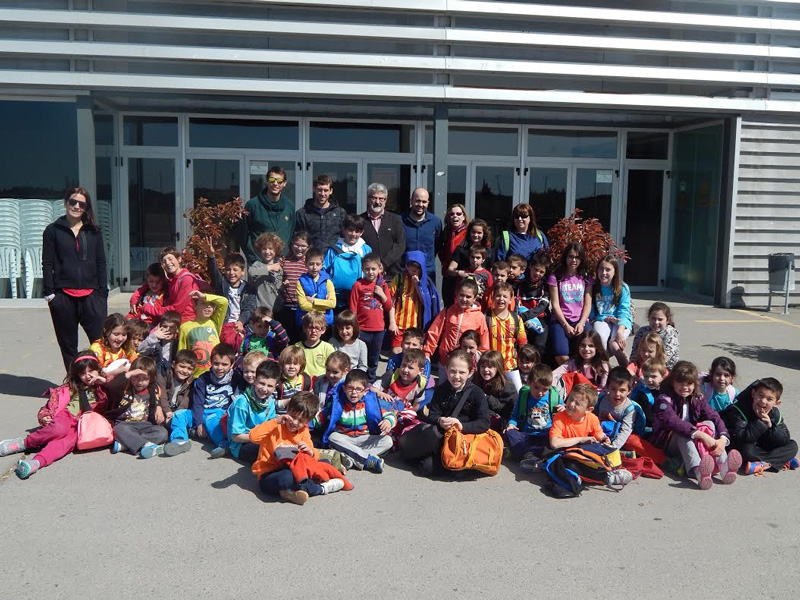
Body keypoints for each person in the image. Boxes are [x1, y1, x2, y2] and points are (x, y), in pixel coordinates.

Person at [0, 351, 108, 479]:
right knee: (58, 429)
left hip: (84, 425)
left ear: (98, 370)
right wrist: (44, 416)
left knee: (65, 444)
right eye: (82, 373)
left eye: (91, 371)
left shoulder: (104, 387)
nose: (88, 376)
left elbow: (114, 397)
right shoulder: (73, 387)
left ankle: (35, 463)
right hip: (67, 415)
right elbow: (53, 403)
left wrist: (104, 382)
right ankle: (24, 443)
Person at [43, 186, 108, 371]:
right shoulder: (52, 230)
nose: (77, 207)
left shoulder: (94, 231)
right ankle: (75, 384)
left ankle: (99, 382)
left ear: (86, 208)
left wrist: (102, 293)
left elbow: (101, 262)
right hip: (63, 296)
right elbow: (47, 262)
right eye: (73, 202)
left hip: (92, 296)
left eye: (82, 204)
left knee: (101, 344)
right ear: (65, 203)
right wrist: (50, 294)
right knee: (68, 347)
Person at [651, 361, 742, 490]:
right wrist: (702, 435)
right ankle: (699, 471)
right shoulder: (664, 400)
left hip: (692, 437)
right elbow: (674, 422)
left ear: (695, 384)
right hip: (667, 442)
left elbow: (714, 416)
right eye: (680, 382)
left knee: (709, 423)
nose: (685, 387)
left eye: (689, 383)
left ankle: (724, 466)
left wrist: (723, 439)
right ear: (672, 382)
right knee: (683, 434)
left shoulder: (697, 398)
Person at [250, 392, 346, 505]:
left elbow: (313, 455)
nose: (295, 422)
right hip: (270, 473)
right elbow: (253, 437)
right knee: (287, 478)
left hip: (293, 469)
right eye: (293, 416)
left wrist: (310, 451)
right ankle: (320, 488)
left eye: (301, 421)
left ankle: (289, 493)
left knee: (322, 463)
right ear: (287, 410)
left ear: (307, 421)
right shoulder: (276, 425)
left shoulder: (303, 431)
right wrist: (275, 421)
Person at [412, 349, 490, 476]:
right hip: (445, 439)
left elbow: (484, 422)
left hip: (465, 442)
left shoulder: (477, 393)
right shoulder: (440, 390)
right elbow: (432, 414)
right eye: (453, 371)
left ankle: (457, 466)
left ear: (470, 372)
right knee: (426, 467)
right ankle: (451, 465)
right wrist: (440, 420)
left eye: (462, 372)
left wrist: (462, 425)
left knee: (439, 467)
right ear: (446, 369)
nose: (456, 376)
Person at [167, 343, 245, 459]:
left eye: (224, 364)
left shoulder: (235, 378)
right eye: (216, 363)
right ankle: (179, 440)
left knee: (211, 421)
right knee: (179, 415)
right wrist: (198, 423)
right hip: (202, 411)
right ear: (211, 362)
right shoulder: (203, 379)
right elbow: (197, 402)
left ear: (232, 364)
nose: (220, 368)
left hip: (220, 413)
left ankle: (224, 444)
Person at [322, 369, 396, 473]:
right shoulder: (338, 403)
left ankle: (350, 458)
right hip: (345, 439)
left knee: (388, 441)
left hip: (364, 439)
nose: (354, 392)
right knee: (332, 437)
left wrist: (388, 421)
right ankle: (367, 460)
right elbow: (320, 416)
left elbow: (390, 415)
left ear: (365, 391)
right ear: (344, 388)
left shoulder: (370, 404)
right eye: (350, 388)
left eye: (358, 389)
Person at [722, 378, 799, 475]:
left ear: (776, 403)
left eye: (769, 399)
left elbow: (785, 439)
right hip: (748, 446)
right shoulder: (739, 409)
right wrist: (760, 423)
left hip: (763, 447)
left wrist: (771, 427)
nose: (763, 401)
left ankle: (764, 464)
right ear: (753, 394)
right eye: (760, 395)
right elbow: (740, 437)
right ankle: (782, 459)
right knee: (746, 450)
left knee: (793, 445)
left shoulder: (775, 413)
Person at [104, 356, 169, 459]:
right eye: (136, 377)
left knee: (163, 433)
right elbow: (111, 387)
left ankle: (126, 444)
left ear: (151, 379)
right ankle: (145, 445)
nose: (140, 382)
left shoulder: (153, 389)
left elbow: (158, 396)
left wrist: (159, 407)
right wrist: (129, 374)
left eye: (145, 379)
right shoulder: (125, 388)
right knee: (117, 429)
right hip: (125, 424)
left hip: (145, 425)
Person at [423, 279, 489, 374]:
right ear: (456, 294)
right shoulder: (448, 311)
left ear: (474, 298)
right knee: (443, 383)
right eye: (461, 295)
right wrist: (427, 352)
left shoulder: (479, 316)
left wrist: (483, 360)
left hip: (466, 363)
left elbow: (484, 342)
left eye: (468, 296)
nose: (464, 299)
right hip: (445, 360)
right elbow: (434, 332)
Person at [202, 240, 257, 351]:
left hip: (242, 326)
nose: (231, 273)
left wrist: (241, 321)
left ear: (243, 271)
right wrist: (211, 256)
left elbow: (249, 308)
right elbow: (214, 273)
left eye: (235, 270)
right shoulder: (222, 284)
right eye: (228, 269)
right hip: (224, 326)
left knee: (242, 351)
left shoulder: (249, 288)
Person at [349, 253, 394, 382]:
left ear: (379, 268)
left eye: (373, 269)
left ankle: (371, 381)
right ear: (362, 269)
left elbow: (388, 306)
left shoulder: (383, 285)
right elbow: (353, 308)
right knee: (361, 357)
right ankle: (359, 380)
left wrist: (382, 295)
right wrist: (354, 327)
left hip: (378, 329)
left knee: (374, 358)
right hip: (362, 329)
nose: (370, 272)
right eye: (367, 269)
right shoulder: (358, 285)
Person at [548, 242, 592, 366]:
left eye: (577, 257)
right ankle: (571, 375)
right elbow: (555, 304)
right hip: (561, 320)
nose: (574, 260)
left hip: (580, 320)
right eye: (571, 256)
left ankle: (584, 375)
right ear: (565, 257)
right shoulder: (556, 277)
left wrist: (581, 323)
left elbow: (587, 304)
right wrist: (565, 325)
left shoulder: (586, 278)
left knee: (590, 350)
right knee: (561, 355)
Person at [505, 363, 561, 462]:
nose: (540, 392)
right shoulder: (524, 395)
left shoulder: (553, 397)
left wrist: (563, 410)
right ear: (529, 382)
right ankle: (531, 455)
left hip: (546, 435)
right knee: (510, 433)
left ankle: (526, 454)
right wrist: (511, 424)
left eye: (545, 389)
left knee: (555, 443)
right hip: (527, 435)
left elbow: (563, 416)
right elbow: (515, 415)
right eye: (536, 387)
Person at [227, 360, 280, 464]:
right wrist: (260, 437)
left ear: (275, 386)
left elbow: (271, 425)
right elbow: (236, 436)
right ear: (255, 380)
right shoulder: (242, 403)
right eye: (261, 383)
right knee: (270, 453)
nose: (264, 389)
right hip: (242, 444)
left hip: (262, 438)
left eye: (270, 386)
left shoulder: (270, 402)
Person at [241, 165, 295, 265]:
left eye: (279, 181)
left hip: (281, 263)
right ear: (267, 181)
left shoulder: (289, 207)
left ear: (284, 184)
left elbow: (291, 234)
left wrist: (285, 256)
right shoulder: (252, 205)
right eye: (272, 180)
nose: (275, 183)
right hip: (258, 263)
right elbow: (243, 235)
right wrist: (253, 258)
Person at [388, 251, 441, 353]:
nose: (413, 273)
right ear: (406, 266)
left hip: (415, 326)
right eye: (411, 270)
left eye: (416, 271)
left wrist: (417, 286)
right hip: (399, 324)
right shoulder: (399, 279)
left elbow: (426, 304)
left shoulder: (425, 282)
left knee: (412, 352)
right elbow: (392, 303)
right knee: (397, 351)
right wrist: (392, 322)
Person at [589, 255, 632, 366]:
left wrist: (620, 331)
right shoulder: (593, 287)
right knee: (600, 340)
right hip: (601, 319)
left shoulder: (622, 288)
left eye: (608, 269)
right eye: (601, 269)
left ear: (615, 272)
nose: (603, 273)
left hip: (620, 321)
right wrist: (607, 318)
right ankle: (605, 370)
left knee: (614, 345)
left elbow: (624, 311)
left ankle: (628, 371)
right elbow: (591, 312)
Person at [323, 214, 372, 307]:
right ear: (344, 229)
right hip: (337, 298)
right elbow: (324, 271)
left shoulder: (366, 250)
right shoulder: (333, 250)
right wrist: (326, 291)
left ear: (362, 232)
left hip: (360, 298)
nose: (353, 234)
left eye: (357, 231)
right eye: (350, 230)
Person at [142, 246, 202, 324]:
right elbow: (150, 284)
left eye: (170, 259)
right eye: (164, 261)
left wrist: (150, 309)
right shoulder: (171, 279)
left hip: (186, 322)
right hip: (173, 320)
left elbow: (176, 309)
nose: (167, 263)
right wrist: (136, 297)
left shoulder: (186, 279)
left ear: (179, 259)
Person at [177, 290, 228, 379]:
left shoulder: (215, 322)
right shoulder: (185, 327)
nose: (208, 307)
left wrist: (204, 296)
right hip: (196, 375)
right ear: (195, 306)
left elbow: (224, 301)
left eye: (211, 304)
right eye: (203, 303)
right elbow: (182, 353)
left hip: (215, 373)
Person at [359, 183, 406, 278]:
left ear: (385, 200)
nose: (377, 202)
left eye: (381, 198)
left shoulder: (395, 220)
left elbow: (400, 245)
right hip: (367, 276)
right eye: (374, 198)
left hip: (392, 276)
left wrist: (384, 264)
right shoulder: (360, 221)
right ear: (368, 199)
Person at [486, 283, 527, 390]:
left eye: (505, 296)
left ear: (510, 300)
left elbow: (523, 343)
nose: (501, 299)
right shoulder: (486, 317)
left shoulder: (516, 319)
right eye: (498, 295)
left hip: (511, 367)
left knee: (518, 394)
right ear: (493, 297)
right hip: (490, 367)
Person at [155, 349, 196, 456]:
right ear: (174, 364)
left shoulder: (191, 381)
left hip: (176, 411)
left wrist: (175, 413)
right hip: (163, 408)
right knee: (160, 422)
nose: (185, 371)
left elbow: (186, 400)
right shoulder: (164, 375)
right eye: (182, 366)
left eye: (189, 368)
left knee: (179, 418)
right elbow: (162, 395)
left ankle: (179, 440)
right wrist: (168, 412)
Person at [294, 174, 347, 251]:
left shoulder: (340, 213)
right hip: (311, 256)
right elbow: (298, 238)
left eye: (326, 190)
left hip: (334, 256)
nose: (322, 194)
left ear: (331, 191)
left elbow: (345, 237)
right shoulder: (302, 213)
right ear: (314, 189)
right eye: (319, 190)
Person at [549, 382, 609, 450]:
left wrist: (604, 439)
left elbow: (599, 434)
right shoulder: (559, 418)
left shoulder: (592, 418)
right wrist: (580, 440)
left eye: (577, 403)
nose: (571, 404)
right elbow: (554, 444)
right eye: (571, 399)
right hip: (564, 452)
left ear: (588, 410)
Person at [401, 187, 442, 283]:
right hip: (405, 273)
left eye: (424, 202)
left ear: (428, 203)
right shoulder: (400, 221)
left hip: (427, 273)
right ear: (411, 201)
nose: (420, 205)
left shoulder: (435, 222)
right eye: (417, 201)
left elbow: (438, 245)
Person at [278, 230, 311, 343]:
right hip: (287, 306)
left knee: (303, 337)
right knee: (288, 338)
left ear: (308, 247)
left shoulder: (310, 263)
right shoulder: (284, 260)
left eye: (303, 246)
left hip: (303, 307)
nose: (299, 248)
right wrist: (282, 283)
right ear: (292, 244)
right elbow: (277, 278)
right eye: (297, 245)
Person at [447, 219, 494, 297]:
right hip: (464, 290)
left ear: (484, 234)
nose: (476, 235)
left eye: (479, 233)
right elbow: (450, 269)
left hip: (482, 291)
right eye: (473, 232)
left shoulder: (488, 251)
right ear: (469, 233)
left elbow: (491, 271)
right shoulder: (461, 249)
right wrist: (459, 273)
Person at [595, 367, 638, 450]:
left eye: (622, 390)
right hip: (600, 434)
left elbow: (625, 431)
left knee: (633, 441)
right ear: (607, 387)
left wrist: (613, 448)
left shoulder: (629, 409)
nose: (617, 394)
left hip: (619, 438)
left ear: (629, 391)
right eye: (613, 389)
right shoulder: (601, 400)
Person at [517, 252, 550, 356]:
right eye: (536, 269)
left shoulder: (545, 286)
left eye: (541, 272)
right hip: (522, 319)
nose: (538, 273)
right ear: (530, 266)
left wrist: (525, 316)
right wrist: (522, 317)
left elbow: (541, 307)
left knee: (539, 346)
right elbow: (517, 303)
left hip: (539, 319)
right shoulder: (520, 284)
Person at [311, 351, 351, 435]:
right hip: (322, 414)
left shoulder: (348, 384)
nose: (330, 375)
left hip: (339, 417)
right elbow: (315, 399)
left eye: (335, 372)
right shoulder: (320, 381)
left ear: (345, 371)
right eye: (328, 370)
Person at [437, 203, 469, 308]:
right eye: (452, 214)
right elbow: (441, 251)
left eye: (458, 214)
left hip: (464, 276)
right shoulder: (446, 232)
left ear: (464, 217)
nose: (455, 216)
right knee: (448, 306)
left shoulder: (469, 233)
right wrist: (446, 264)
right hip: (448, 276)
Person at [631, 301, 680, 369]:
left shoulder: (670, 333)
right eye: (653, 318)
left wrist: (650, 370)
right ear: (649, 318)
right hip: (643, 366)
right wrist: (632, 368)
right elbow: (634, 354)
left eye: (660, 319)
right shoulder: (642, 331)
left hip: (665, 368)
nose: (656, 322)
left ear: (667, 320)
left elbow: (665, 358)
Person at [475, 351, 517, 429]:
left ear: (498, 368)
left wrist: (486, 398)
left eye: (490, 367)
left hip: (498, 421)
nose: (486, 369)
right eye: (483, 366)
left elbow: (506, 410)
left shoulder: (506, 386)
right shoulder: (476, 381)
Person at [296, 247, 336, 328]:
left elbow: (332, 303)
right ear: (305, 264)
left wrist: (313, 301)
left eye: (318, 264)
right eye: (311, 264)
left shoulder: (327, 281)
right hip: (307, 322)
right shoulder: (301, 282)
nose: (314, 267)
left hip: (325, 321)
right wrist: (324, 307)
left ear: (322, 265)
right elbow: (303, 305)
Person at [248, 232, 284, 314]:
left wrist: (284, 285)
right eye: (264, 249)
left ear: (276, 250)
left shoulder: (279, 267)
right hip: (262, 309)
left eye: (270, 248)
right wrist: (270, 267)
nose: (267, 252)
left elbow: (278, 286)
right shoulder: (258, 264)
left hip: (277, 308)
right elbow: (251, 272)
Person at [137, 310, 182, 375]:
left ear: (177, 329)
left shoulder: (179, 344)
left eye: (171, 327)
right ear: (160, 326)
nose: (167, 330)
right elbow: (140, 350)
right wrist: (153, 337)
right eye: (165, 326)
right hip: (156, 374)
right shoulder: (155, 342)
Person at [296, 312, 335, 378]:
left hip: (321, 381)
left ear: (323, 330)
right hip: (303, 381)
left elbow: (333, 367)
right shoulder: (297, 347)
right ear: (304, 328)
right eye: (310, 327)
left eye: (317, 328)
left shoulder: (328, 348)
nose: (313, 331)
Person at [276, 346, 313, 413]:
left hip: (300, 416)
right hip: (281, 415)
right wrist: (285, 402)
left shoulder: (306, 381)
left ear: (301, 365)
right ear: (282, 364)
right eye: (288, 363)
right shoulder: (277, 382)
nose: (292, 367)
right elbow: (270, 404)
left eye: (295, 364)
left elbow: (311, 401)